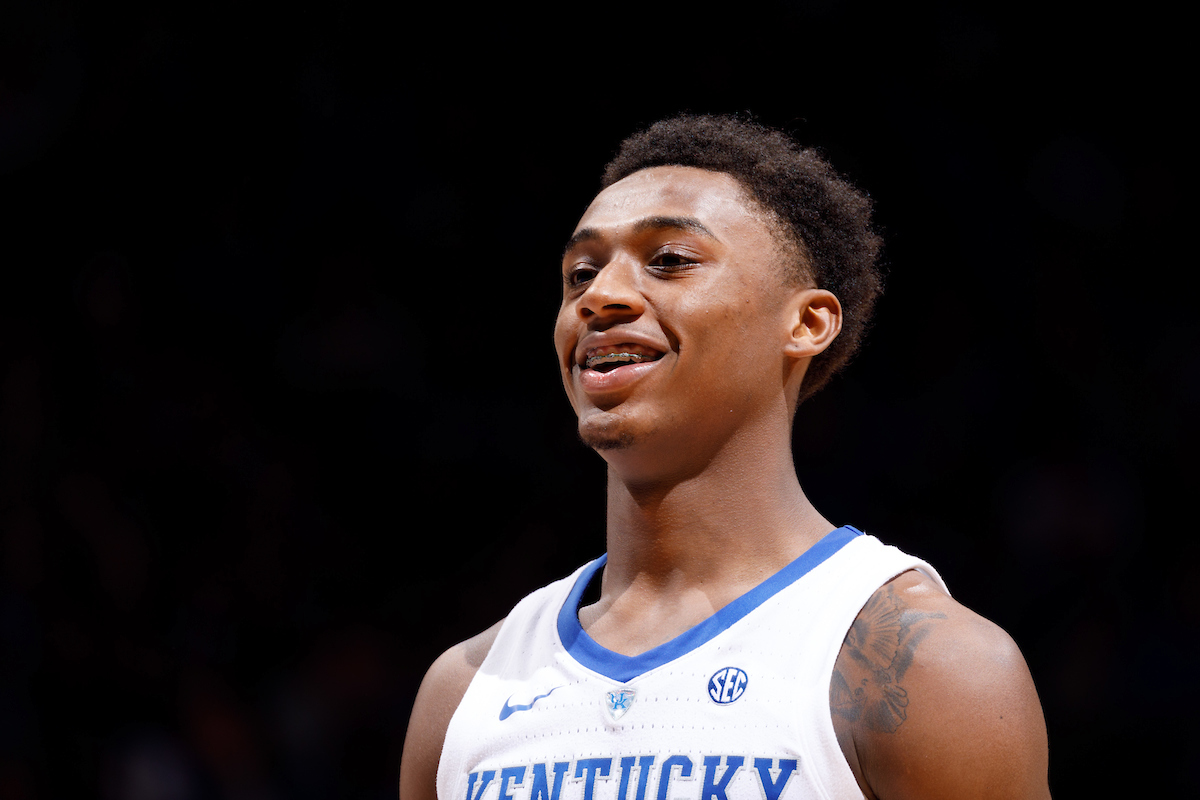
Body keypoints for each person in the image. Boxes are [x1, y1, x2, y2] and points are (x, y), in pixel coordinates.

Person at [399, 115, 1050, 800]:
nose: (599, 297)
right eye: (580, 273)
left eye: (670, 261)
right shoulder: (465, 691)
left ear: (806, 323)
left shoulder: (928, 668)